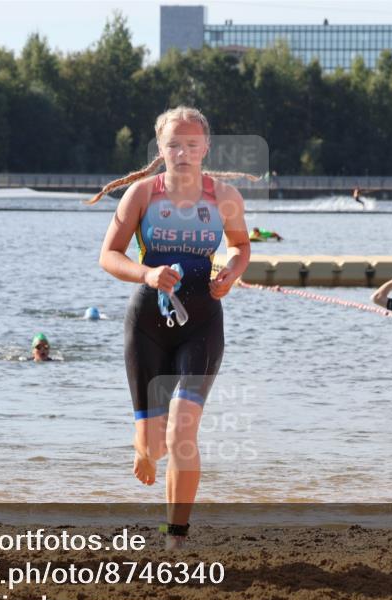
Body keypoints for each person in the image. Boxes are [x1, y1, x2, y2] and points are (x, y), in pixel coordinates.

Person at [91, 106, 251, 548]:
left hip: (202, 322)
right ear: (160, 149)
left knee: (183, 434)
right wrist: (146, 274)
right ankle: (142, 444)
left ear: (206, 148)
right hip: (147, 322)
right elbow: (109, 255)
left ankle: (175, 537)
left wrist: (231, 273)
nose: (182, 152)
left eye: (191, 145)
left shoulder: (224, 197)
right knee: (155, 448)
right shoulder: (142, 195)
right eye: (173, 145)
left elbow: (241, 247)